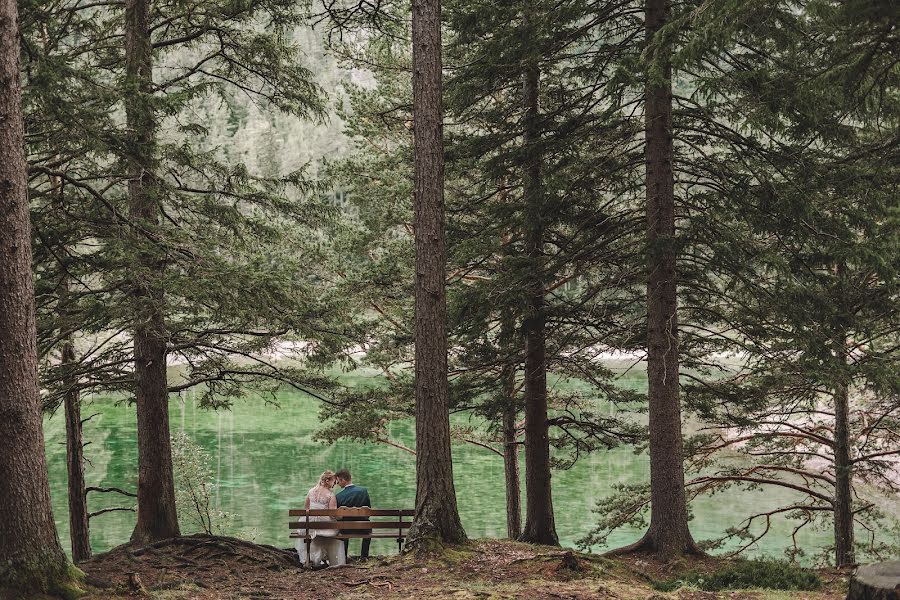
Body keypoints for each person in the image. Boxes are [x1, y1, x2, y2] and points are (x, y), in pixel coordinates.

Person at [294, 470, 346, 567]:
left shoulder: (311, 491)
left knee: (312, 531)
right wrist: (341, 516)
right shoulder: (330, 495)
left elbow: (306, 508)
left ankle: (312, 559)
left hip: (309, 525)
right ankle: (327, 559)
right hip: (324, 525)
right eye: (334, 481)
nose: (335, 484)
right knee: (335, 530)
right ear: (327, 481)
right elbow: (332, 514)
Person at [335, 468, 372, 560]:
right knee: (368, 525)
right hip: (364, 529)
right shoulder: (363, 491)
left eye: (338, 481)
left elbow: (338, 517)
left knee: (342, 526)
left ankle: (343, 556)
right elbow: (368, 511)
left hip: (346, 529)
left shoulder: (339, 496)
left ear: (343, 480)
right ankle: (364, 556)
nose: (337, 484)